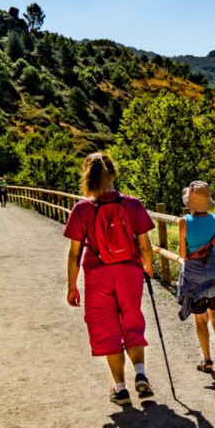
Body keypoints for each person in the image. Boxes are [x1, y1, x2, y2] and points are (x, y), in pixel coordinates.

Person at [63, 152, 156, 405]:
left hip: (98, 273)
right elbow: (145, 246)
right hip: (129, 272)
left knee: (108, 330)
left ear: (88, 177)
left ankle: (121, 389)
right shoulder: (133, 204)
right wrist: (148, 269)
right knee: (132, 321)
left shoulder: (82, 209)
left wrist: (72, 287)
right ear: (113, 174)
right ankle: (140, 373)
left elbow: (74, 254)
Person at [176, 181, 215, 372]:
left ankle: (207, 360)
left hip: (194, 278)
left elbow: (183, 254)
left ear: (190, 203)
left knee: (201, 320)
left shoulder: (184, 222)